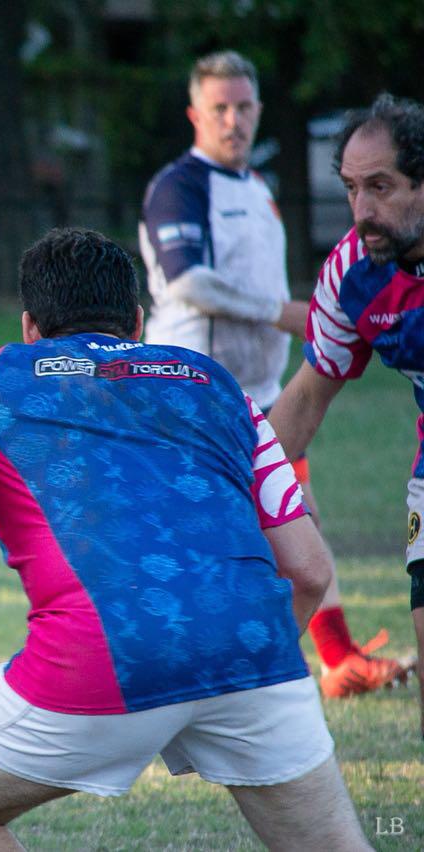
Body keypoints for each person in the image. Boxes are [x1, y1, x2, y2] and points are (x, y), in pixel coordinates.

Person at [0, 226, 369, 851]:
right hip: (256, 652)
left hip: (98, 658)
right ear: (137, 321)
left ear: (28, 327)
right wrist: (228, 663)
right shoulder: (219, 384)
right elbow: (311, 569)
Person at [138, 50, 397, 698]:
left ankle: (337, 660)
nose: (234, 120)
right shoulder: (179, 185)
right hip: (190, 399)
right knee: (205, 537)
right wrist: (283, 313)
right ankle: (181, 665)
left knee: (301, 520)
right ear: (195, 113)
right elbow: (188, 281)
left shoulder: (257, 190)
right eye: (220, 108)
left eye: (244, 106)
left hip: (262, 398)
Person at [269, 93, 424, 735]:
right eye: (352, 188)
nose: (362, 211)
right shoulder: (353, 273)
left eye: (381, 187)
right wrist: (225, 492)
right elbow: (305, 399)